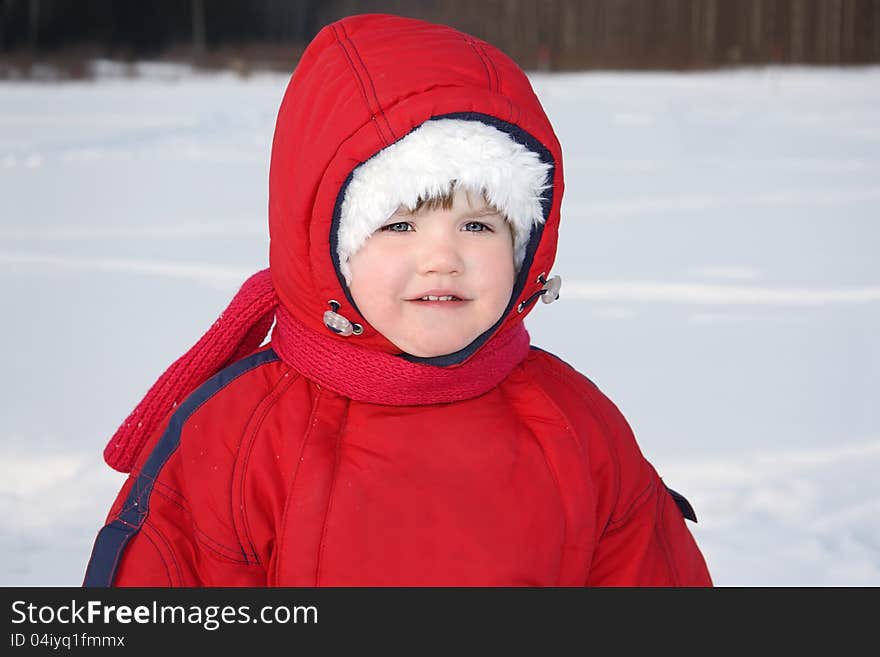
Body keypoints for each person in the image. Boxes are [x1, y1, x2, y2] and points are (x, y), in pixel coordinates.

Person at [84, 13, 712, 587]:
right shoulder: (236, 435)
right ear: (324, 240)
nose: (443, 258)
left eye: (479, 226)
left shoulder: (576, 425)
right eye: (398, 226)